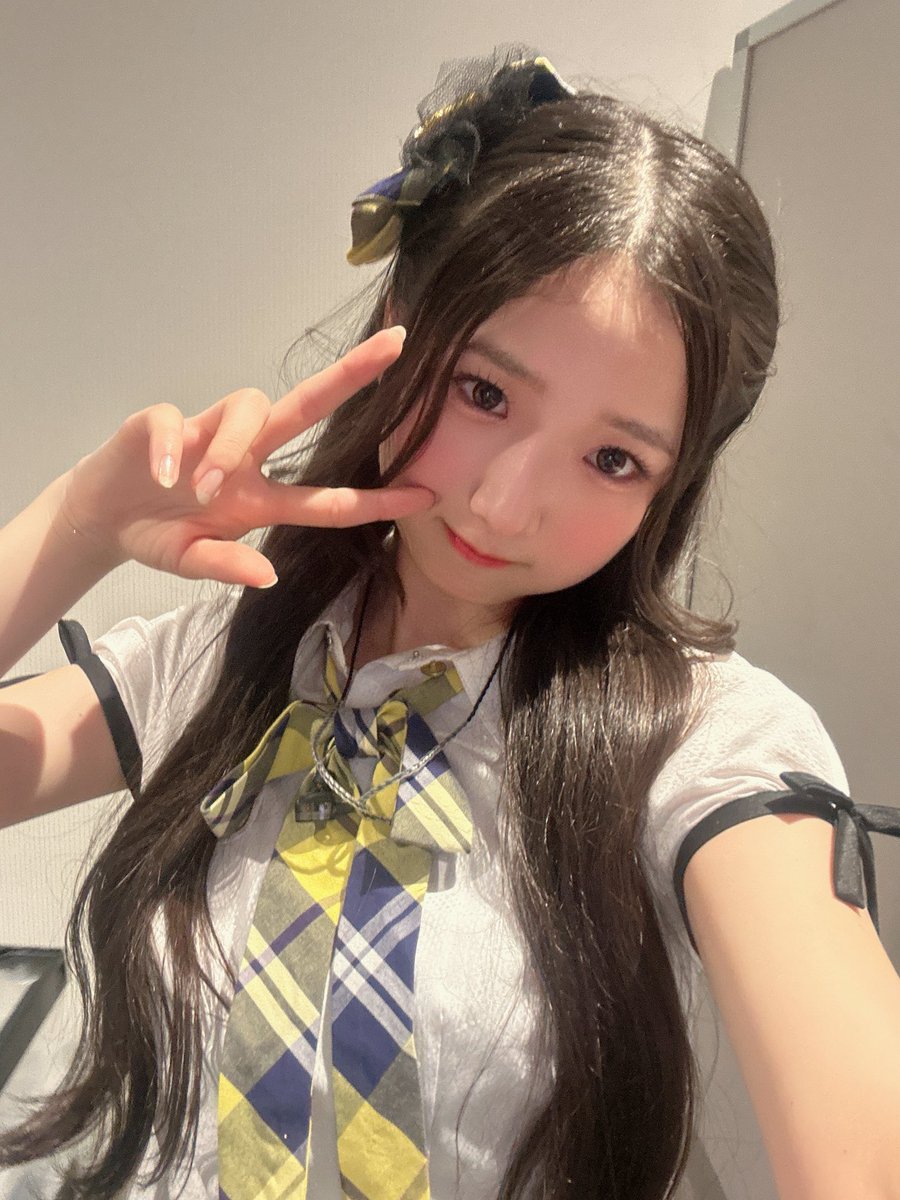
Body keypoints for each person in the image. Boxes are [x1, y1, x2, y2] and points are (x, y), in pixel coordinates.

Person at [1, 43, 899, 1200]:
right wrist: (73, 526)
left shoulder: (700, 739)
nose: (504, 506)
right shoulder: (228, 656)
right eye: (485, 392)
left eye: (614, 458)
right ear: (400, 328)